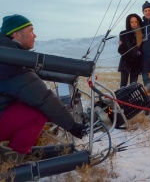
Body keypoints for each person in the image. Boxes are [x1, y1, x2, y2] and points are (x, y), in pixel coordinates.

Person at [0, 14, 87, 166]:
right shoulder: (12, 63)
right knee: (38, 114)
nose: (35, 35)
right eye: (31, 31)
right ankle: (10, 164)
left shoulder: (8, 54)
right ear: (16, 34)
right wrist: (73, 126)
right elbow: (43, 98)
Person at [118, 14, 143, 88]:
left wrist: (139, 53)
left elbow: (143, 49)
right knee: (123, 86)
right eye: (132, 22)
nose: (134, 23)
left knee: (133, 87)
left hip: (136, 64)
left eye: (135, 21)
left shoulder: (142, 34)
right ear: (128, 23)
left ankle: (131, 100)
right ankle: (121, 100)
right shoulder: (123, 33)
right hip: (125, 63)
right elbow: (121, 50)